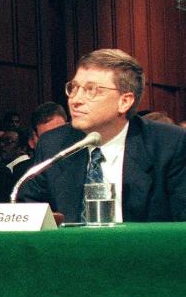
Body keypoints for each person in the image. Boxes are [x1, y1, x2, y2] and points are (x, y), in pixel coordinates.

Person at [19, 48, 186, 222]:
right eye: (74, 88)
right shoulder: (54, 144)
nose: (75, 100)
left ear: (124, 101)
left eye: (91, 90)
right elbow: (30, 213)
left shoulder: (169, 145)